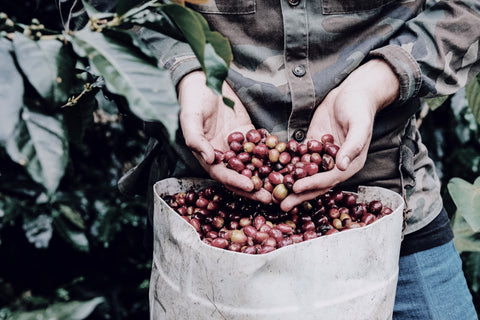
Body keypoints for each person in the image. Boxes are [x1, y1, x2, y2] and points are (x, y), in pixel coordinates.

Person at [119, 0, 480, 318]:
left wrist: (379, 81)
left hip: (387, 198)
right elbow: (95, 13)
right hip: (208, 226)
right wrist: (185, 71)